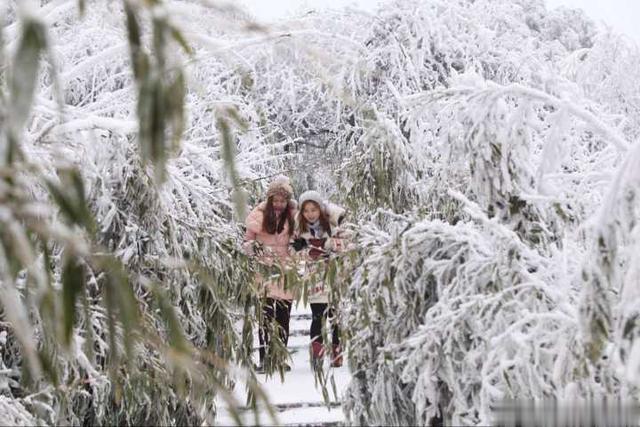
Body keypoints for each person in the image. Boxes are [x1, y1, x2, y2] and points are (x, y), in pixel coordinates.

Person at [243, 175, 297, 373]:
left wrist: (296, 248)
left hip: (285, 271)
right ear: (270, 199)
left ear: (287, 201)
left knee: (283, 317)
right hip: (264, 272)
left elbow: (300, 241)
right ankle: (265, 358)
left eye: (283, 200)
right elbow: (247, 241)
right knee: (265, 317)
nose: (279, 204)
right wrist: (253, 248)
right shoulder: (258, 216)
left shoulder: (294, 217)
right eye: (276, 200)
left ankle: (279, 358)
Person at [292, 190, 347, 368]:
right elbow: (294, 253)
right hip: (315, 277)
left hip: (334, 275)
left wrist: (325, 244)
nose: (310, 214)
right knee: (317, 317)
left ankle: (337, 353)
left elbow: (343, 246)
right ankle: (317, 355)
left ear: (320, 210)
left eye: (313, 209)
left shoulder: (333, 227)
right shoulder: (299, 230)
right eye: (306, 210)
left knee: (335, 316)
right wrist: (301, 248)